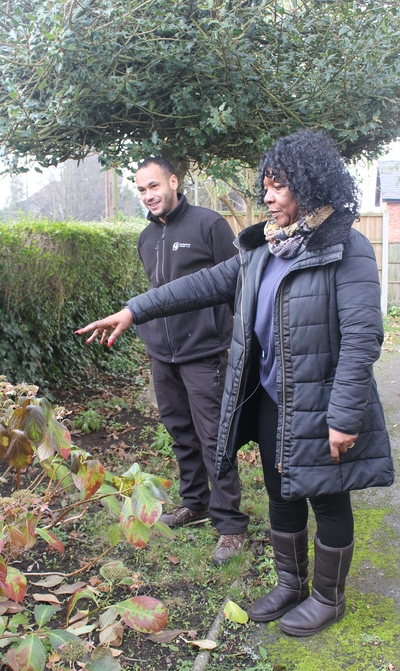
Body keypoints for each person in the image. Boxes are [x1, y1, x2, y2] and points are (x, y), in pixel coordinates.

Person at [77, 130, 394, 636]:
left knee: (327, 497)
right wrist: (134, 310)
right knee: (279, 489)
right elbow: (199, 285)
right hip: (271, 396)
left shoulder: (346, 248)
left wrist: (344, 415)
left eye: (278, 187)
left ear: (310, 187)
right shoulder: (264, 249)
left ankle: (327, 598)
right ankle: (290, 584)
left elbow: (362, 336)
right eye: (265, 186)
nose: (266, 197)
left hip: (322, 401)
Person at [129, 157, 249, 565]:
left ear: (173, 182)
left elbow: (237, 281)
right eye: (142, 190)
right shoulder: (146, 237)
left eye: (154, 186)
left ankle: (230, 525)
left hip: (204, 352)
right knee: (180, 432)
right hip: (162, 354)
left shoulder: (209, 224)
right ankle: (194, 502)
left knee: (214, 437)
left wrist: (236, 336)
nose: (149, 195)